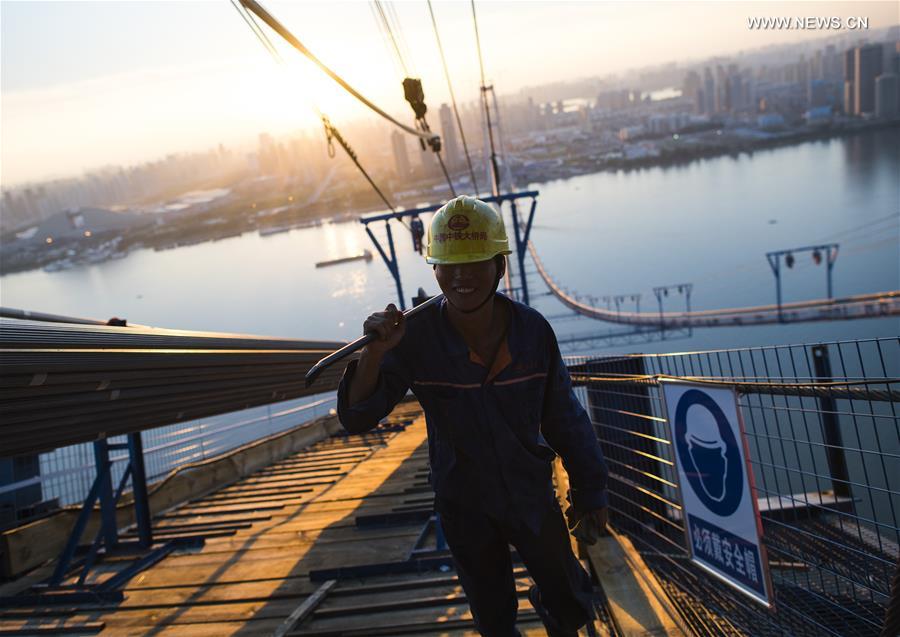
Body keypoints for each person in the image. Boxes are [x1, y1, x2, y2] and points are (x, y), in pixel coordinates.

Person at [337, 195, 609, 637]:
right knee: (492, 615)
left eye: (475, 263)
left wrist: (591, 489)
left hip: (528, 491)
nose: (461, 277)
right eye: (449, 265)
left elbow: (564, 417)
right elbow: (358, 416)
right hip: (463, 500)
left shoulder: (532, 332)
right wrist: (374, 355)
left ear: (500, 266)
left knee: (568, 595)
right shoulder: (416, 338)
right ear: (435, 270)